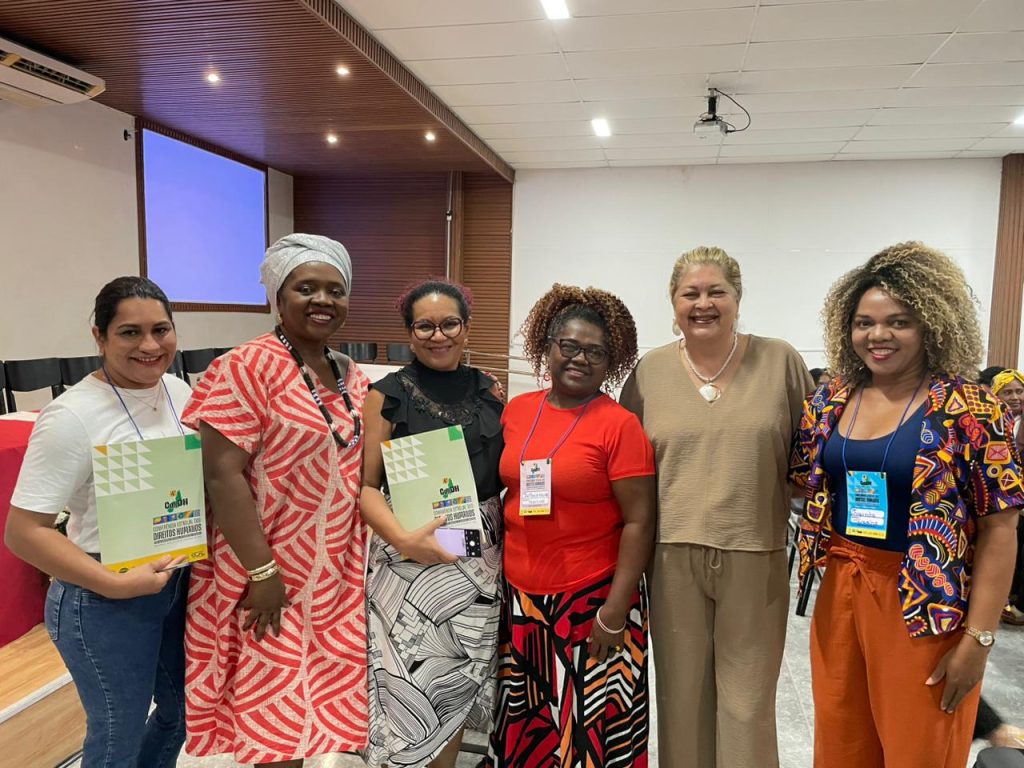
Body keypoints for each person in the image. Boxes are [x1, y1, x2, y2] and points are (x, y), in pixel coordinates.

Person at [789, 241, 1023, 768]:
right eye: (864, 323)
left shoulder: (970, 408)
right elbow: (802, 481)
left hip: (925, 602)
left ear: (931, 325)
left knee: (918, 748)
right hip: (842, 587)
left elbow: (1001, 529)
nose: (878, 335)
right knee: (841, 745)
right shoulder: (831, 399)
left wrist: (979, 639)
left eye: (899, 322)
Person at [619, 247, 811, 768]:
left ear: (737, 298)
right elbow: (626, 465)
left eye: (716, 292)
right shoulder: (651, 371)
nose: (703, 303)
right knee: (681, 702)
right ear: (674, 302)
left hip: (755, 554)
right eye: (691, 293)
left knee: (747, 706)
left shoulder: (780, 361)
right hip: (671, 559)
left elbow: (810, 457)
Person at [181, 234, 368, 767]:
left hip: (335, 575)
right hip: (268, 569)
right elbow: (221, 475)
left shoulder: (349, 372)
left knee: (319, 715)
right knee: (274, 717)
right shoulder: (246, 366)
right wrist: (262, 573)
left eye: (335, 290)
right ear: (278, 296)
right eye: (306, 288)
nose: (322, 300)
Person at [4, 276, 193, 768]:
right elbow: (23, 532)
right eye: (130, 332)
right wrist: (115, 584)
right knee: (116, 739)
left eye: (161, 330)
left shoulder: (178, 391)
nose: (149, 345)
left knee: (181, 714)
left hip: (176, 582)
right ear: (100, 337)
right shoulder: (72, 416)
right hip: (102, 596)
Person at [488, 284, 656, 768]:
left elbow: (640, 521)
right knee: (532, 729)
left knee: (585, 735)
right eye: (570, 346)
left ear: (611, 362)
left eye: (596, 352)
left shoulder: (619, 425)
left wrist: (615, 611)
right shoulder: (519, 410)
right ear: (548, 347)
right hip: (522, 601)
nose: (580, 359)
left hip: (590, 603)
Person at [360, 279, 505, 768]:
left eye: (449, 324)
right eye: (424, 326)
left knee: (457, 681)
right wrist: (405, 540)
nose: (438, 335)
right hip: (407, 561)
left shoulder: (489, 390)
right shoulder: (386, 395)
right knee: (407, 684)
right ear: (409, 332)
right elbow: (366, 488)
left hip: (479, 560)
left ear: (467, 328)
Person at [991, 369, 1024, 626]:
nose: (1015, 397)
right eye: (1008, 392)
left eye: (1019, 391)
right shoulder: (994, 422)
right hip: (1000, 500)